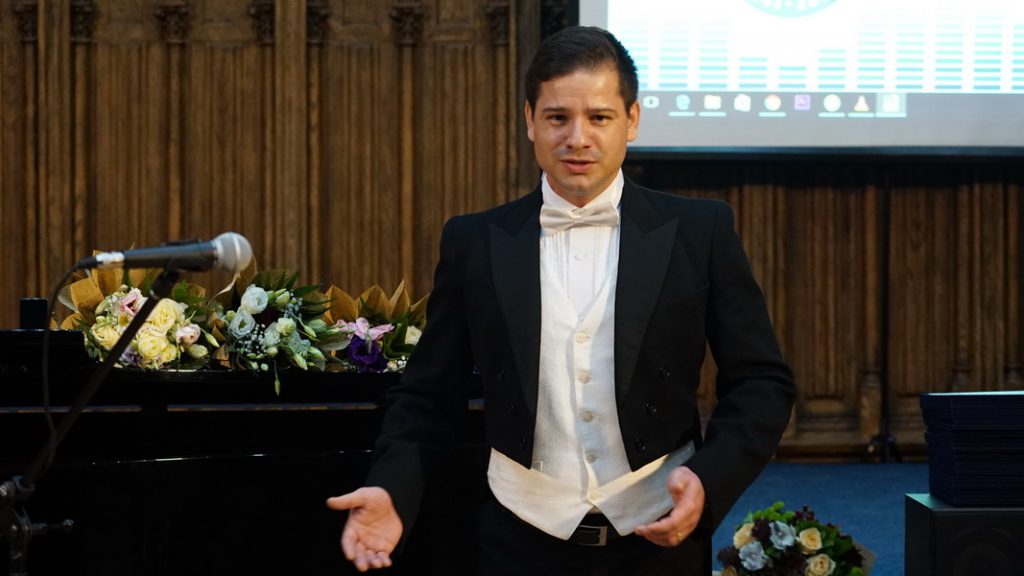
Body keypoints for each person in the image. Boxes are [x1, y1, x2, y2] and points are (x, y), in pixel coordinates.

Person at [327, 26, 796, 575]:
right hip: (516, 537)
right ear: (530, 120)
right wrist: (391, 486)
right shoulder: (474, 241)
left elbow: (762, 383)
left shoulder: (700, 231)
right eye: (557, 117)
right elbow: (430, 393)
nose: (578, 138)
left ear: (632, 120)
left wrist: (708, 479)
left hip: (660, 536)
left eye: (599, 117)